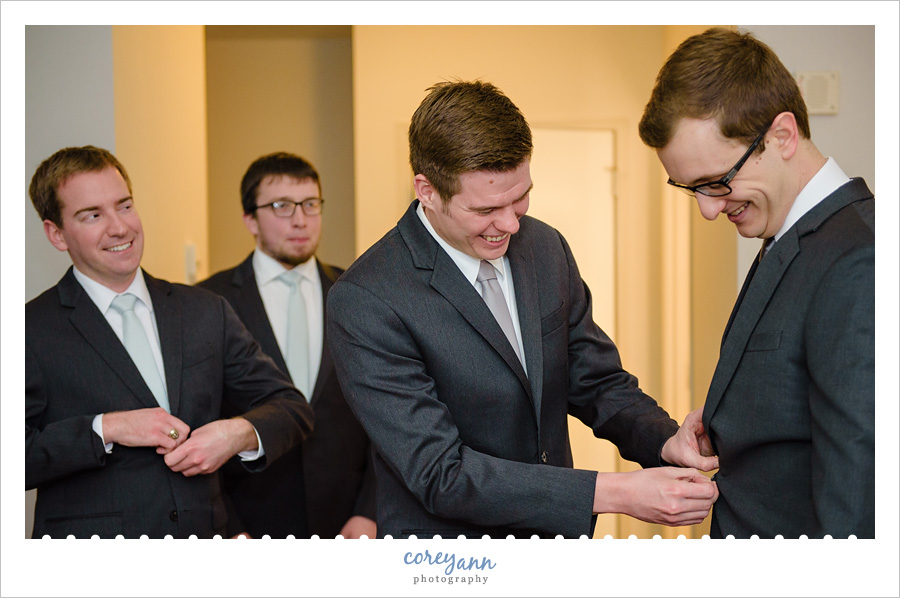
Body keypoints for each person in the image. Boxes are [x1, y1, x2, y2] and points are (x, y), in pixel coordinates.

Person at [326, 80, 719, 539]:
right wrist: (615, 493)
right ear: (427, 191)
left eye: (521, 197)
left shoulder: (544, 246)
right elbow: (440, 472)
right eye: (488, 209)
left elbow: (594, 378)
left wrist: (664, 440)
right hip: (452, 559)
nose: (511, 224)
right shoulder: (366, 298)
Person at [639, 28, 874, 539]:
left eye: (717, 182)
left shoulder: (859, 259)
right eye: (690, 189)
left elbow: (857, 497)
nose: (707, 210)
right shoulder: (791, 239)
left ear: (782, 136)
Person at [25, 146, 315, 539]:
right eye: (93, 215)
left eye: (124, 206)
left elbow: (292, 407)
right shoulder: (29, 329)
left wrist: (236, 434)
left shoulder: (205, 310)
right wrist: (104, 428)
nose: (119, 227)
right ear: (56, 234)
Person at [198, 152, 376, 539]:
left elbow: (385, 413)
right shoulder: (207, 303)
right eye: (281, 206)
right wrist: (227, 526)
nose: (300, 219)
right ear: (250, 219)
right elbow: (199, 419)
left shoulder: (360, 294)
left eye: (310, 205)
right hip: (249, 525)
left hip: (349, 525)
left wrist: (370, 511)